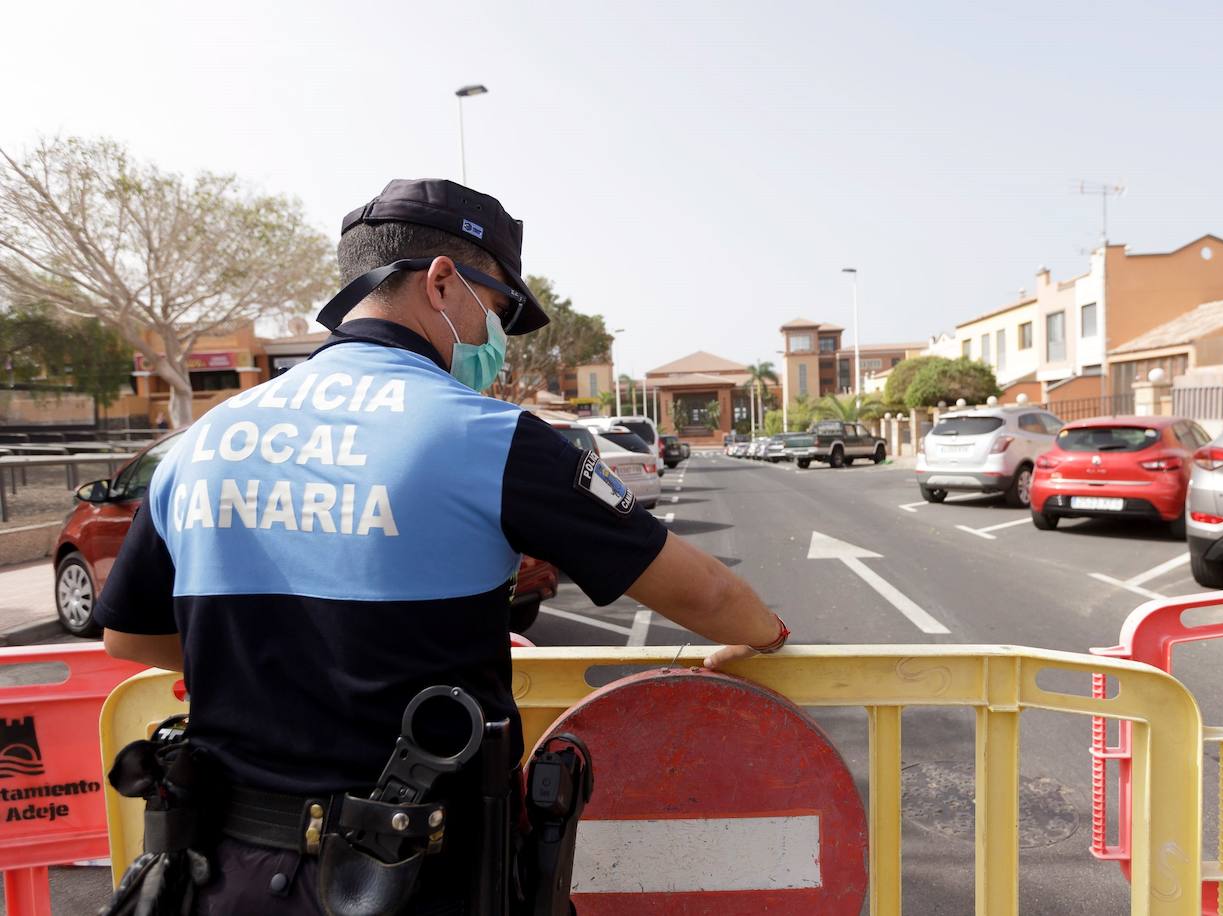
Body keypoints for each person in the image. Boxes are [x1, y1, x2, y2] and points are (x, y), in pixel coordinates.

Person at [95, 178, 787, 914]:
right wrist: (760, 637)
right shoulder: (487, 436)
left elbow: (128, 634)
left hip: (223, 877)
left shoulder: (206, 441)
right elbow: (707, 593)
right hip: (417, 881)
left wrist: (285, 658)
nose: (495, 341)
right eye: (495, 311)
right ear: (443, 281)